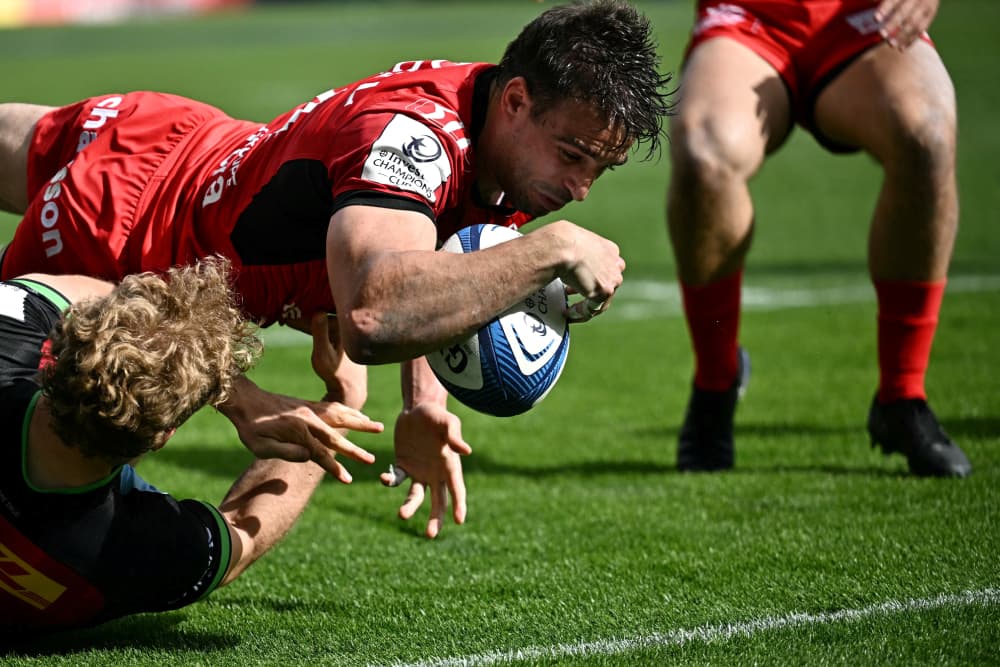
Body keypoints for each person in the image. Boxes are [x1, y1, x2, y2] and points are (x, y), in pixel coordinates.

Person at [0, 0, 674, 535]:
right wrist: (551, 250)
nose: (581, 186)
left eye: (600, 168)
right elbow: (375, 314)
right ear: (518, 101)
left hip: (177, 136)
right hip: (121, 246)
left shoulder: (495, 113)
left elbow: (432, 242)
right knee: (43, 472)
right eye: (574, 154)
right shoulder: (413, 137)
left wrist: (423, 402)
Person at [665, 0, 971, 476]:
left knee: (927, 137)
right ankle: (715, 383)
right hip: (750, 17)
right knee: (705, 152)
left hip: (869, 17)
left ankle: (902, 395)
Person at [0, 259, 384, 630]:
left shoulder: (9, 335)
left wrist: (239, 395)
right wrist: (341, 399)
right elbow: (242, 535)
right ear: (164, 437)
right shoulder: (142, 548)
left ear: (70, 341)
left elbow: (94, 297)